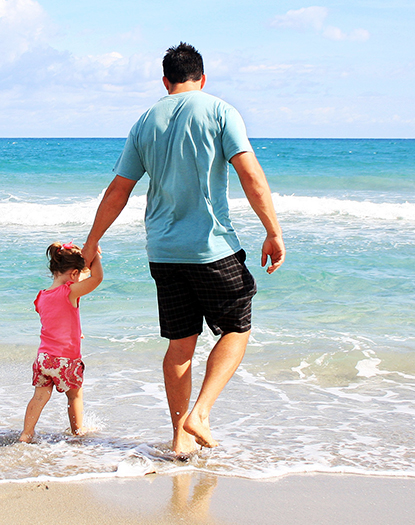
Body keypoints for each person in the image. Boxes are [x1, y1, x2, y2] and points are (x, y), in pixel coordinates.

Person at [82, 43, 285, 455]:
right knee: (237, 327)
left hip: (163, 251)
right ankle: (201, 413)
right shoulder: (219, 111)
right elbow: (250, 173)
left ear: (165, 81)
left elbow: (120, 188)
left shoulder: (145, 121)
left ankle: (179, 440)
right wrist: (273, 231)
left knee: (180, 345)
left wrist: (92, 240)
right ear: (202, 78)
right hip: (210, 247)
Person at [19, 241, 103, 443]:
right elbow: (97, 278)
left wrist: (76, 331)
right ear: (74, 274)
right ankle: (77, 432)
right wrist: (96, 257)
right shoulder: (69, 292)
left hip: (44, 359)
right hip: (66, 360)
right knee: (74, 396)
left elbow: (57, 320)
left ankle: (26, 435)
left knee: (39, 397)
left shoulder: (41, 297)